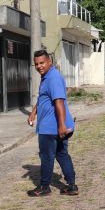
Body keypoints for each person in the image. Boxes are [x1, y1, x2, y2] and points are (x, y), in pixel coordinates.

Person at [27, 50, 78, 197]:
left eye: (42, 63)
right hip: (54, 126)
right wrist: (34, 112)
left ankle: (44, 187)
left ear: (49, 62)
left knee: (47, 156)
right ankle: (72, 186)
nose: (39, 66)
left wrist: (61, 125)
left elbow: (59, 102)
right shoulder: (47, 77)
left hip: (51, 128)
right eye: (36, 64)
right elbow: (45, 98)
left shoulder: (53, 77)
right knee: (62, 154)